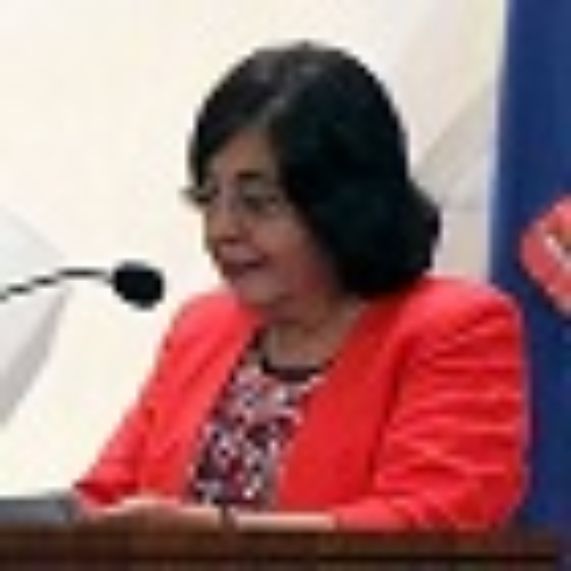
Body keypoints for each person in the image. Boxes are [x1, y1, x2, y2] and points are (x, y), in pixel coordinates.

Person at [74, 41, 528, 531]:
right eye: (208, 198)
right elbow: (101, 501)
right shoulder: (200, 328)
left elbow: (435, 521)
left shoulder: (455, 328)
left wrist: (222, 535)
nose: (222, 229)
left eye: (257, 202)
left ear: (344, 205)